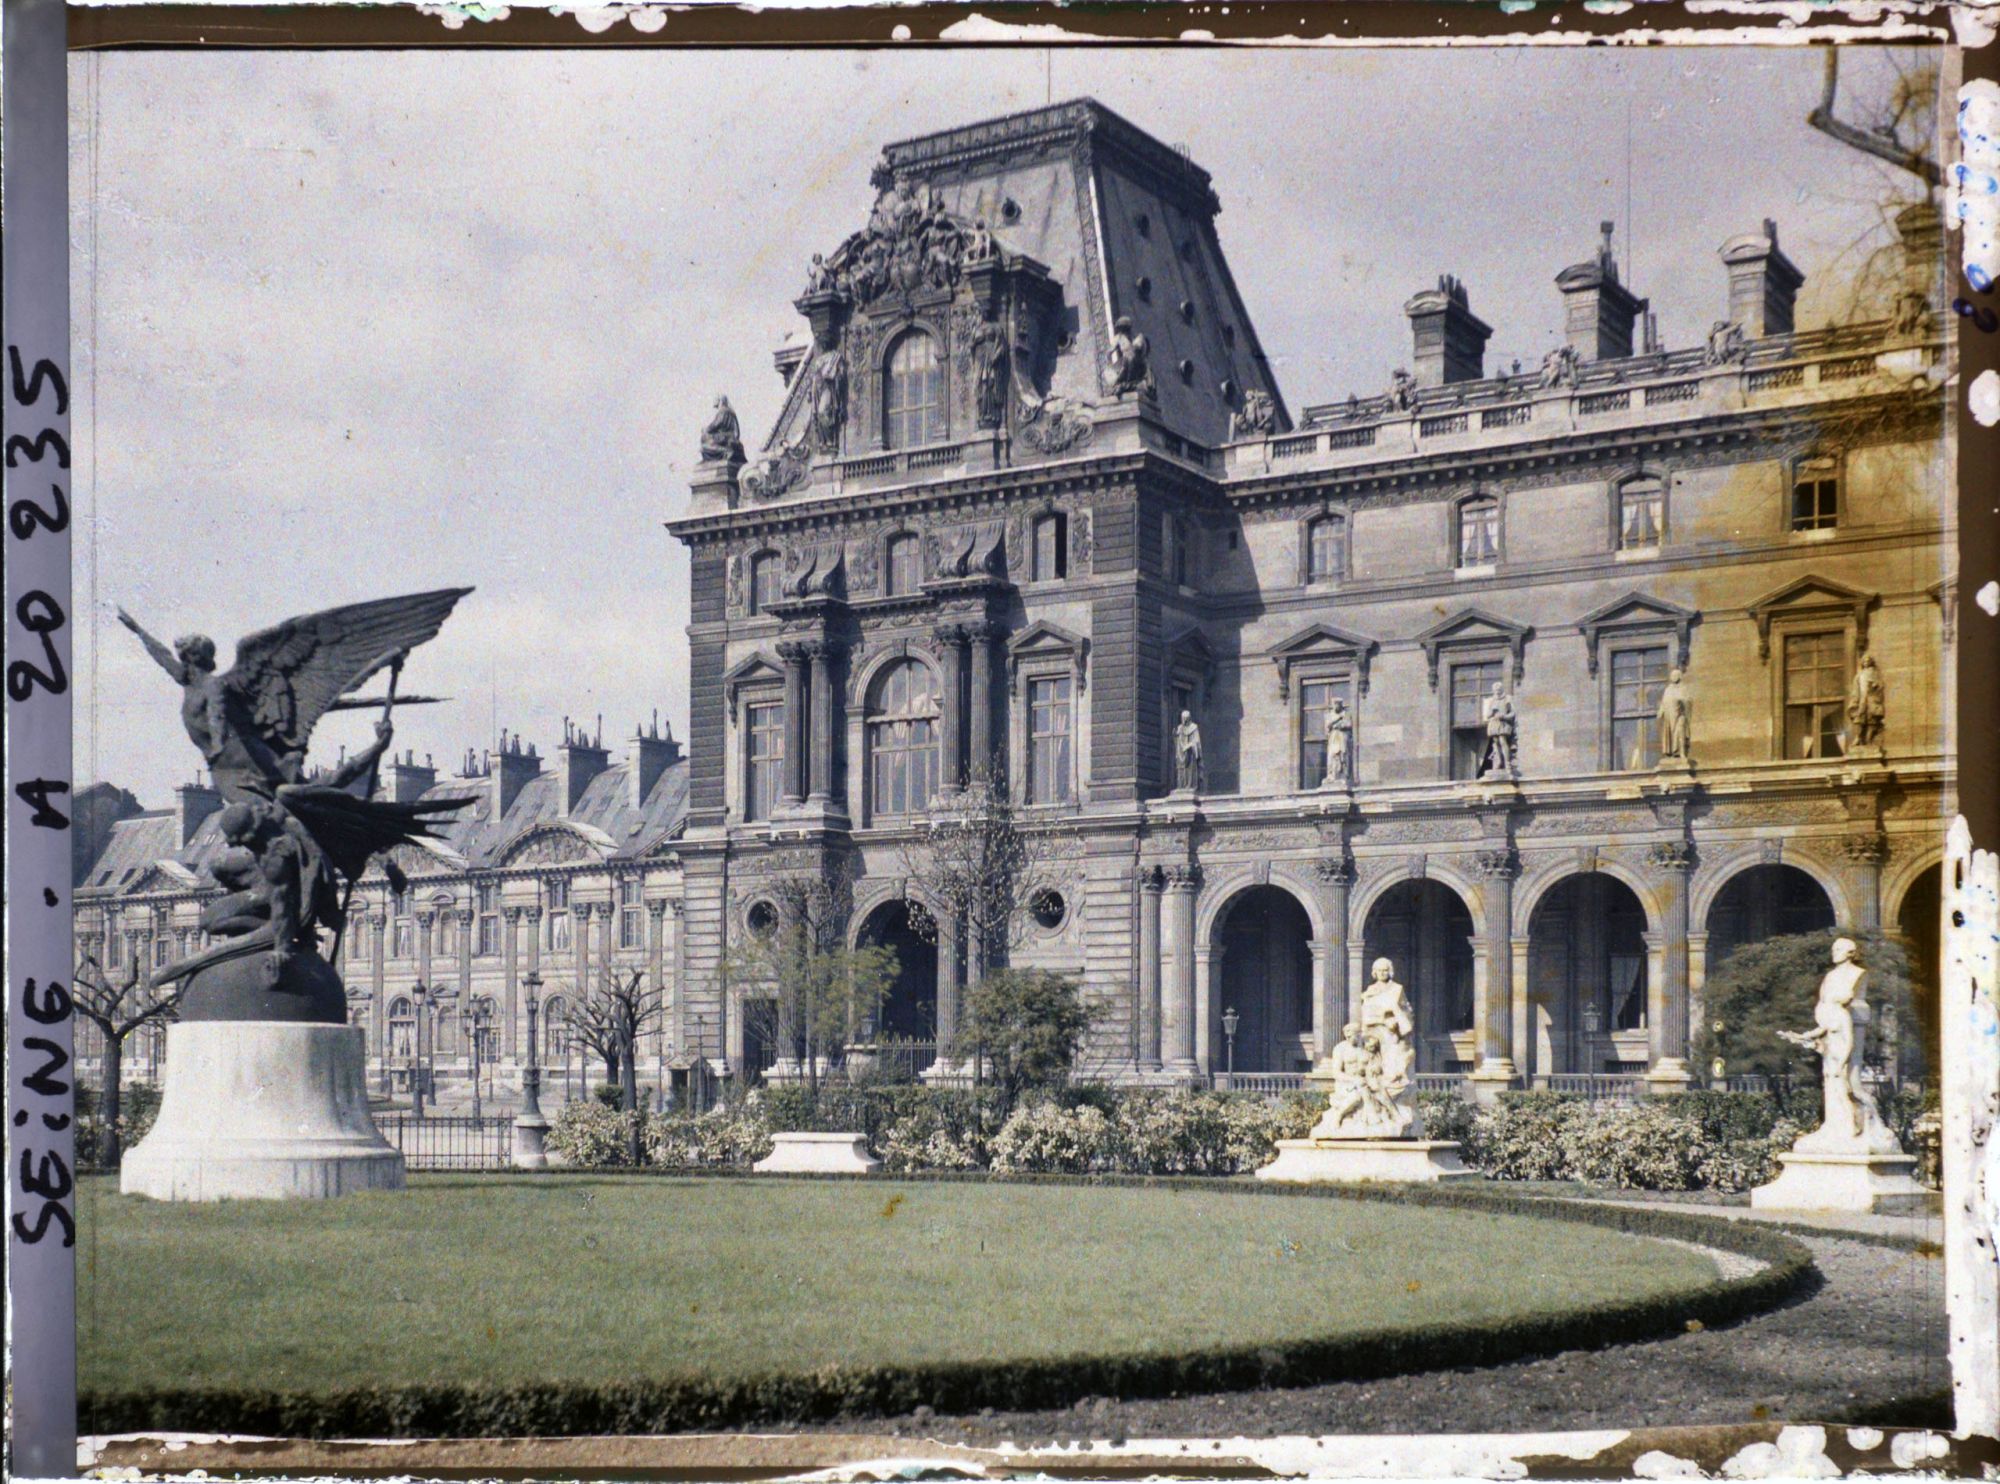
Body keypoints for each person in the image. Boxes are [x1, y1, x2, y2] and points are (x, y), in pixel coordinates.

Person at [1481, 681, 1517, 776]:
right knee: (1495, 742)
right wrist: (1492, 711)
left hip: (1503, 722)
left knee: (1502, 741)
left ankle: (1507, 763)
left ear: (1501, 689)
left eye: (1498, 689)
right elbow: (1487, 715)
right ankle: (1499, 761)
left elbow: (1513, 713)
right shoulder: (1492, 700)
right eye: (1495, 690)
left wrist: (1504, 716)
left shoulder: (1507, 699)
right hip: (1494, 723)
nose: (1497, 691)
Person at [1657, 667, 1691, 761]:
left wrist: (1682, 701)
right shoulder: (1668, 689)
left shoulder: (1683, 688)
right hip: (1669, 716)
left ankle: (1681, 753)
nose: (1672, 677)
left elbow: (1688, 701)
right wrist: (1661, 710)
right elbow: (1664, 702)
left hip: (1680, 714)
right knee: (1670, 734)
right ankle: (1672, 752)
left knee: (1680, 732)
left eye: (1675, 675)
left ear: (1679, 676)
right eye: (1671, 675)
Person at [1322, 695, 1353, 787]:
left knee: (1342, 754)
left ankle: (1342, 775)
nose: (1336, 706)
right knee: (1332, 755)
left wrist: (1339, 725)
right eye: (1335, 704)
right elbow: (1328, 725)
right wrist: (1339, 719)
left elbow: (1348, 724)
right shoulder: (1329, 715)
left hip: (1342, 737)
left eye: (1338, 704)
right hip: (1333, 738)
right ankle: (1332, 775)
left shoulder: (1346, 714)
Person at [1174, 709, 1203, 792]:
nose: (1184, 720)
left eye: (1185, 718)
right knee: (1180, 770)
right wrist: (1175, 736)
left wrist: (1189, 745)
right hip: (1181, 753)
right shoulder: (1180, 728)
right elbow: (1178, 740)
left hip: (1190, 753)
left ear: (1189, 718)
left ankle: (1190, 785)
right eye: (1183, 718)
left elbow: (1196, 740)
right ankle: (1181, 786)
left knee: (1190, 770)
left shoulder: (1194, 727)